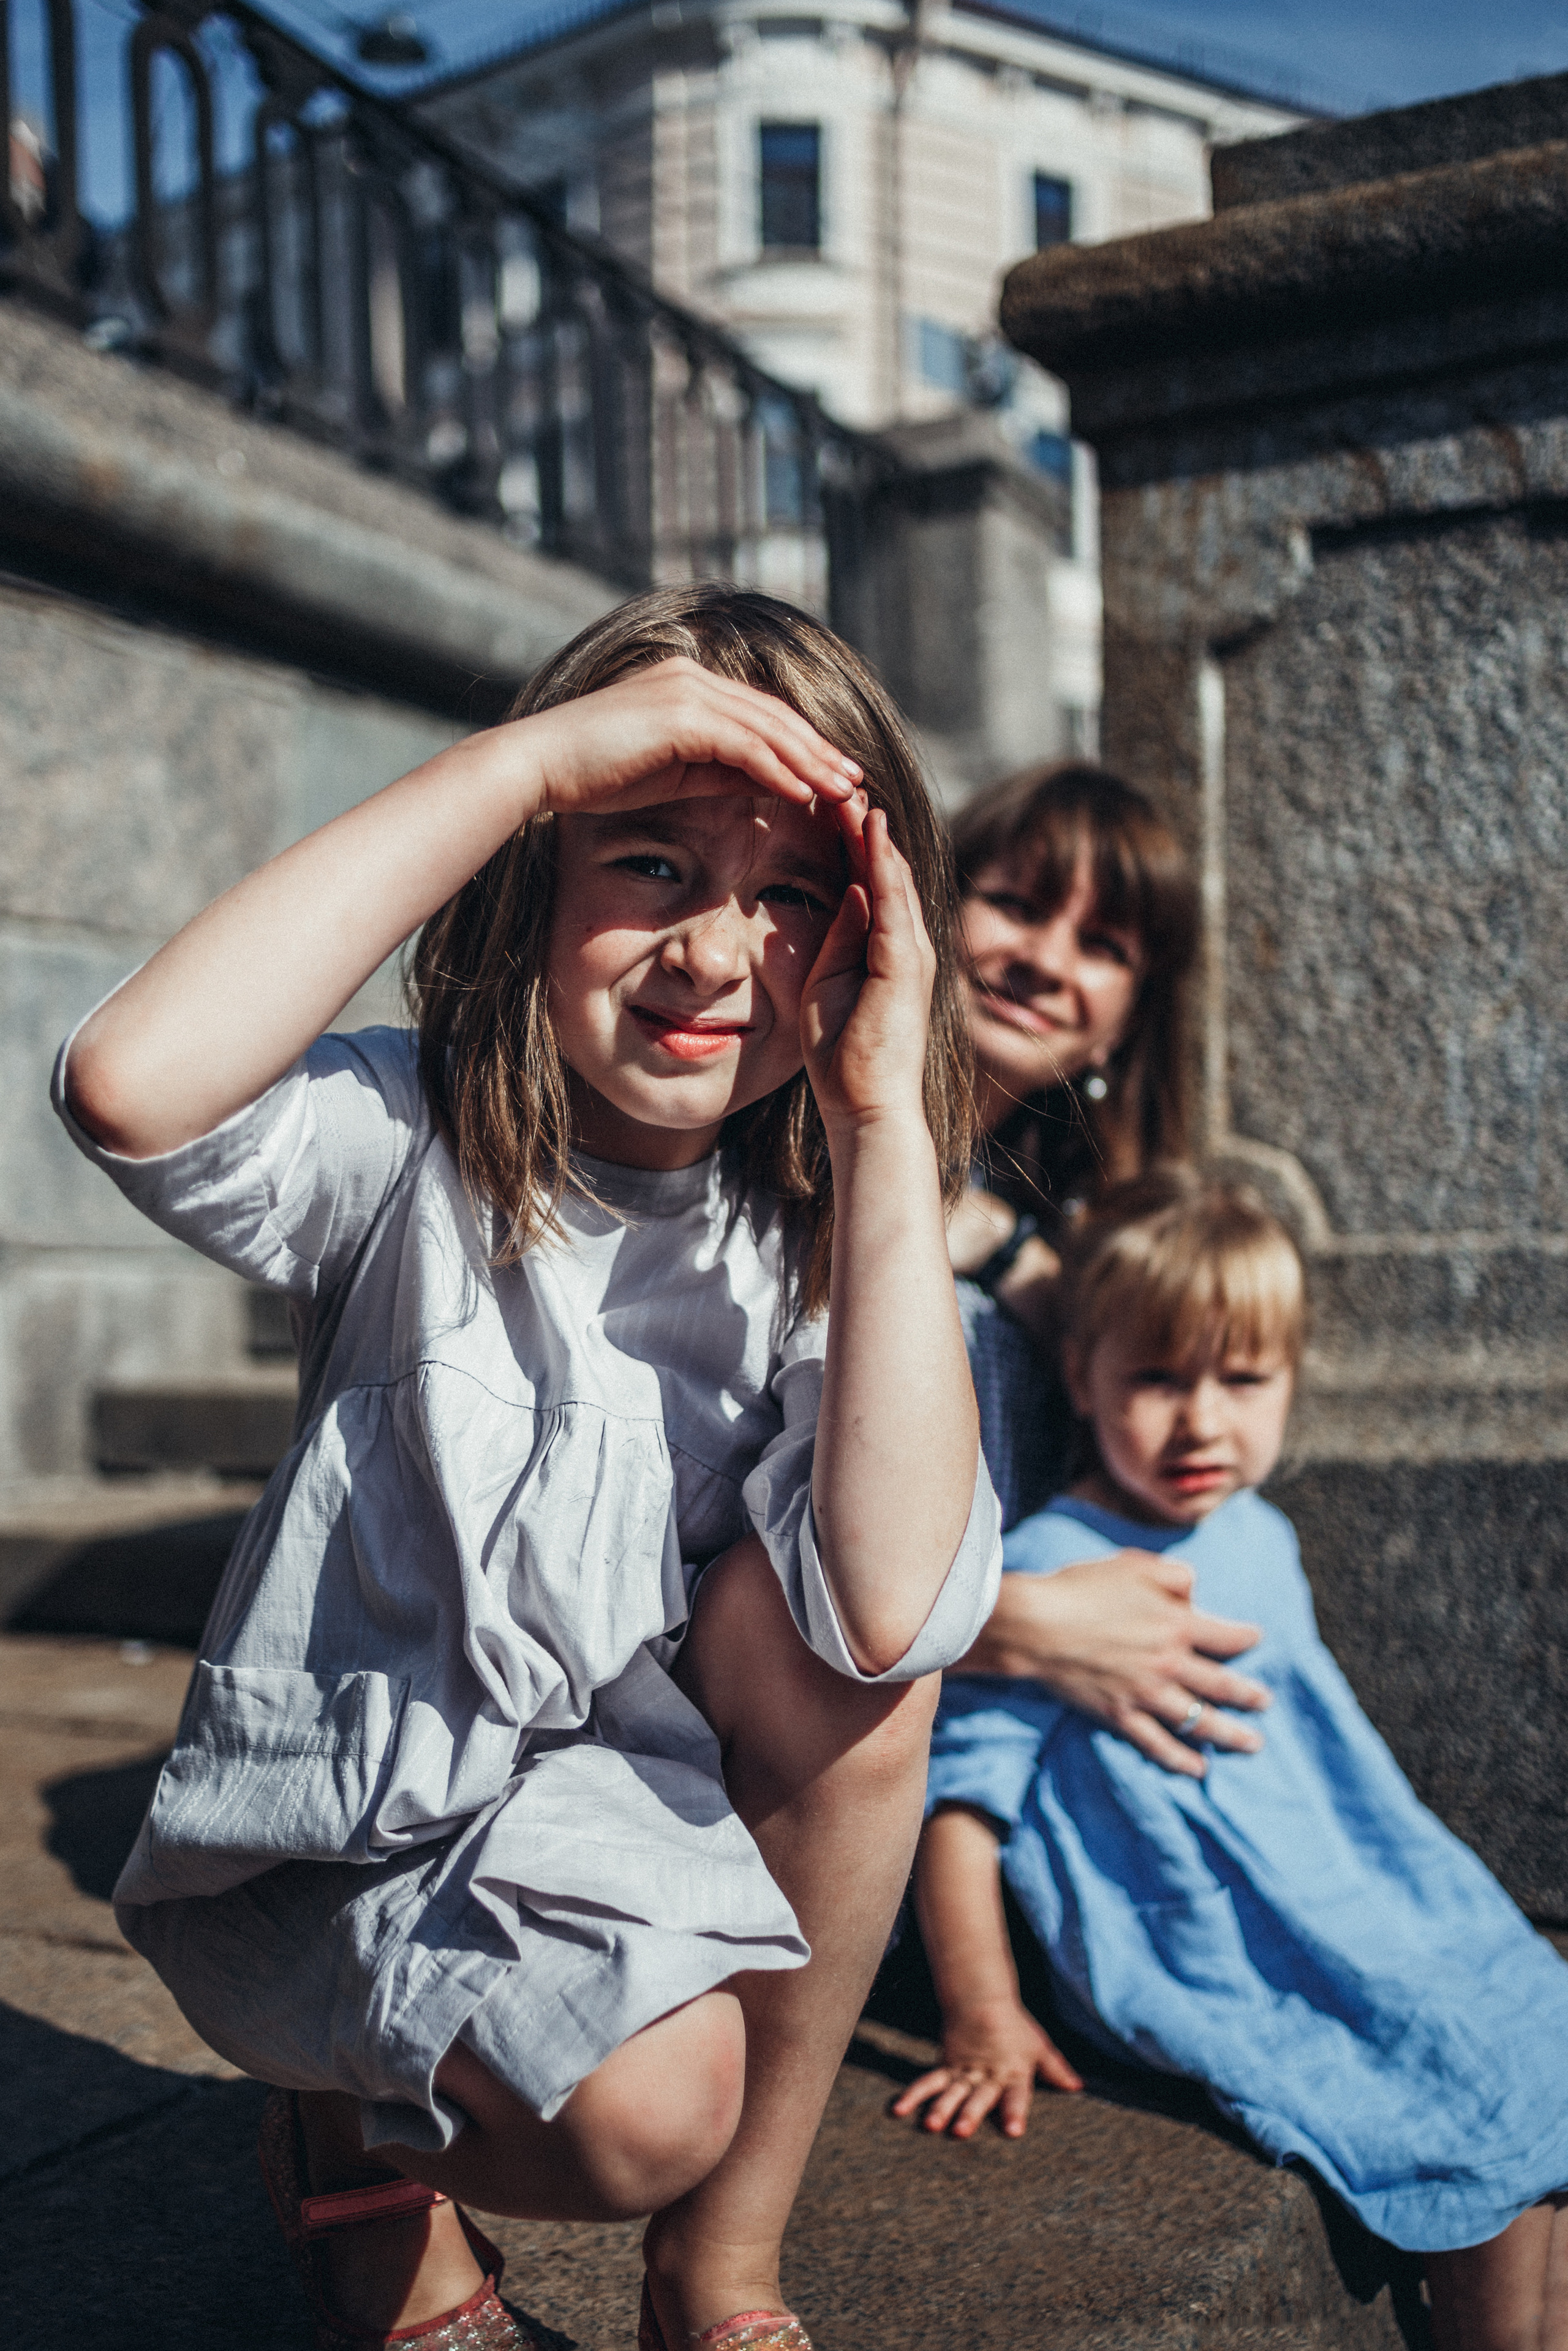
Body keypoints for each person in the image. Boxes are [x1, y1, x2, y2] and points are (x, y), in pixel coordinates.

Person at [56, 585, 1002, 2351]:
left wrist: (885, 1124)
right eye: (650, 861)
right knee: (649, 2108)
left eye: (795, 893)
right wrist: (536, 757)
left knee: (873, 1677)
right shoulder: (409, 1131)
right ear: (534, 879)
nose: (719, 954)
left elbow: (883, 1605)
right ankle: (351, 2142)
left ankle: (721, 2270)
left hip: (615, 1813)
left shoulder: (817, 1223)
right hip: (362, 1819)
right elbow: (132, 1082)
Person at [899, 1170, 1568, 2351]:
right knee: (1465, 2107)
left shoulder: (1257, 1530)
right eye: (1159, 1379)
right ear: (1082, 1376)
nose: (1203, 1421)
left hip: (1344, 1877)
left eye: (1243, 1380)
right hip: (1201, 1926)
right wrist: (985, 2012)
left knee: (1530, 2027)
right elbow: (964, 1803)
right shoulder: (1055, 1562)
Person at [947, 764, 1273, 1781]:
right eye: (1014, 904)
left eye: (1102, 946)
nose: (1045, 961)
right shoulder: (764, 1149)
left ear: (1128, 1017)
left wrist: (1006, 1252)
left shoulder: (1064, 1252)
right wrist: (1023, 1624)